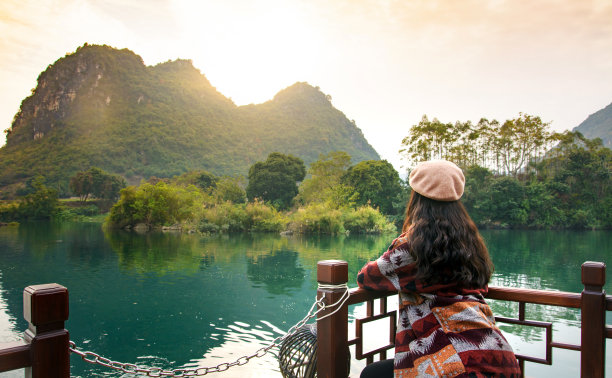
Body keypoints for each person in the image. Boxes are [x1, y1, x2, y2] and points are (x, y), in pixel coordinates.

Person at [357, 160, 520, 378]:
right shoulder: (470, 241)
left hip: (452, 361)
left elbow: (367, 277)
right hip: (498, 355)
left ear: (416, 198)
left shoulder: (413, 245)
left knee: (371, 374)